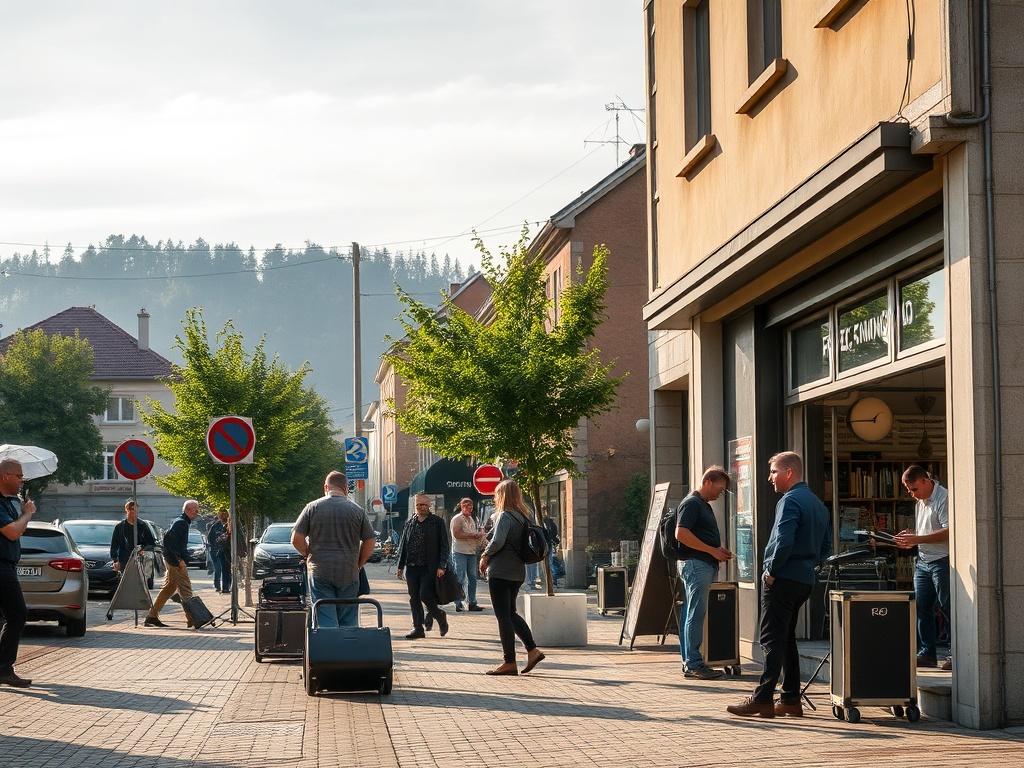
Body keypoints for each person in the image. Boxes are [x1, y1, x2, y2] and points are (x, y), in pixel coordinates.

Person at [727, 452, 831, 718]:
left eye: (774, 472)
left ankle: (762, 699)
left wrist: (771, 571)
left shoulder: (790, 500)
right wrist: (810, 565)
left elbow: (783, 541)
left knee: (771, 638)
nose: (769, 478)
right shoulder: (818, 504)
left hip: (783, 578)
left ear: (789, 473)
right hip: (804, 580)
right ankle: (790, 699)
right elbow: (826, 548)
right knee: (786, 638)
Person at [478, 479, 545, 676]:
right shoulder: (523, 517)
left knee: (503, 616)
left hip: (501, 570)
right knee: (511, 613)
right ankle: (532, 650)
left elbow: (498, 541)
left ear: (503, 495)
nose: (495, 497)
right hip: (517, 571)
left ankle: (509, 662)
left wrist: (485, 556)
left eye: (497, 494)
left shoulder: (505, 516)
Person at [292, 470, 375, 628]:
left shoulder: (312, 508)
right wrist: (359, 563)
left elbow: (296, 539)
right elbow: (370, 541)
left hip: (320, 571)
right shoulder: (357, 510)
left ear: (326, 487)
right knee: (348, 619)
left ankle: (329, 642)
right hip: (349, 572)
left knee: (324, 617)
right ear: (345, 488)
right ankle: (347, 642)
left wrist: (308, 554)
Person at [675, 467, 734, 680]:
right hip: (696, 565)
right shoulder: (692, 503)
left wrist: (716, 551)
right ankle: (693, 664)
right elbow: (681, 533)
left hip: (700, 564)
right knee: (696, 613)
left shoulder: (701, 504)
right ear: (708, 482)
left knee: (692, 612)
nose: (721, 493)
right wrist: (712, 551)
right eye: (720, 488)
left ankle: (690, 662)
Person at [895, 465, 951, 670]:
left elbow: (949, 531)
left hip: (942, 560)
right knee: (921, 607)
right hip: (924, 562)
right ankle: (927, 653)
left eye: (914, 489)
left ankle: (954, 654)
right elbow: (926, 531)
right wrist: (912, 536)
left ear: (926, 481)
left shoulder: (944, 498)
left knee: (947, 607)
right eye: (909, 490)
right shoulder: (921, 501)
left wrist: (917, 539)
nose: (912, 494)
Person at [0, 459, 37, 687]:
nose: (22, 480)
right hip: (1, 567)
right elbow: (13, 532)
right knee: (17, 615)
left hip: (7, 565)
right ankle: (4, 669)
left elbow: (16, 530)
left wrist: (21, 511)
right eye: (19, 476)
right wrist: (28, 513)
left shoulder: (8, 502)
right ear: (5, 476)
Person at [396, 494, 451, 639]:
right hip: (412, 567)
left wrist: (442, 565)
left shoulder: (437, 522)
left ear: (429, 506)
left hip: (429, 567)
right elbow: (404, 545)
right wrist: (400, 565)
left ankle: (439, 615)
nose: (420, 507)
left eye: (423, 505)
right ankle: (418, 628)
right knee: (414, 598)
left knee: (425, 595)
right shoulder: (410, 523)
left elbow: (444, 545)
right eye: (418, 505)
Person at [144, 499, 201, 628]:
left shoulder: (181, 522)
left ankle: (152, 616)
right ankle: (193, 618)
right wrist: (178, 560)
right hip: (175, 561)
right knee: (185, 588)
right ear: (188, 510)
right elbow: (169, 542)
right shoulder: (181, 523)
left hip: (173, 560)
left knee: (169, 588)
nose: (198, 513)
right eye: (196, 510)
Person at [450, 497, 486, 612]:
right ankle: (458, 602)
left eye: (470, 505)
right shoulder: (457, 519)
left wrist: (481, 540)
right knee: (460, 577)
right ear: (461, 506)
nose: (468, 507)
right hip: (459, 552)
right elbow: (457, 534)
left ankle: (472, 602)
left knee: (472, 578)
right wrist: (474, 535)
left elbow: (475, 535)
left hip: (471, 552)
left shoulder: (472, 519)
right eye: (465, 505)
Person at [110, 499, 157, 575]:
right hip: (125, 560)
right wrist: (115, 560)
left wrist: (144, 549)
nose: (133, 513)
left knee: (140, 579)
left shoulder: (143, 526)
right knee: (125, 579)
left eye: (135, 510)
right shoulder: (120, 527)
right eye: (130, 510)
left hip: (141, 559)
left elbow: (151, 543)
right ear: (126, 510)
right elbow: (114, 545)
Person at [207, 510, 231, 593]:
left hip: (224, 550)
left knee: (225, 569)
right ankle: (219, 586)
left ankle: (226, 587)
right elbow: (210, 538)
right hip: (217, 551)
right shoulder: (216, 526)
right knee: (219, 568)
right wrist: (215, 545)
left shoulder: (228, 525)